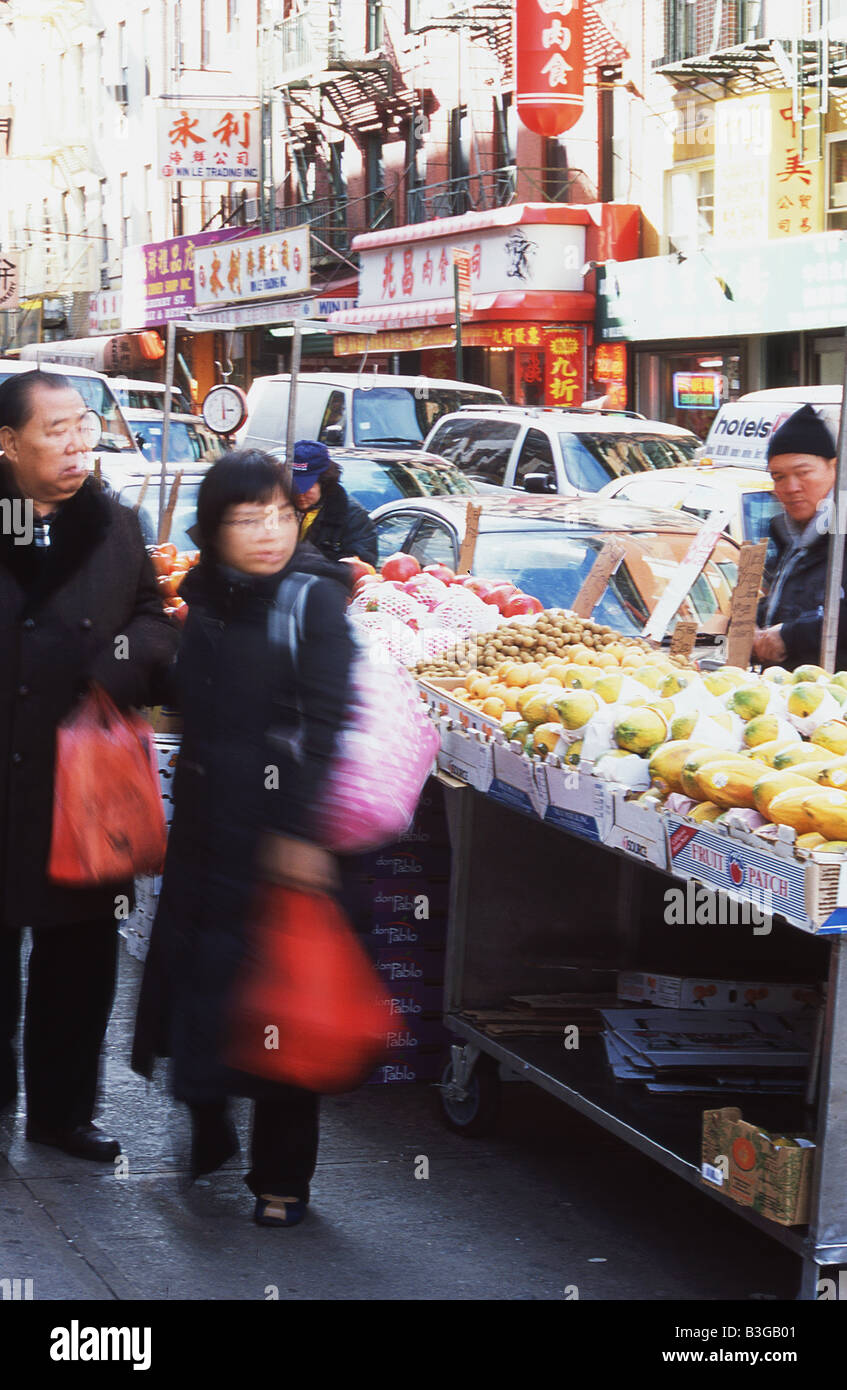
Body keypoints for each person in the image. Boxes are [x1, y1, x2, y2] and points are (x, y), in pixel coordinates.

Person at [131, 449, 354, 1227]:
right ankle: (207, 1122)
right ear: (213, 529)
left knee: (278, 998)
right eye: (246, 518)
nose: (267, 533)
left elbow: (328, 722)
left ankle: (281, 1181)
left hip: (277, 834)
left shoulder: (313, 599)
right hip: (202, 831)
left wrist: (300, 831)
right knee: (199, 986)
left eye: (280, 516)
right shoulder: (205, 600)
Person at [0, 370, 179, 1160]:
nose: (77, 444)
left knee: (79, 955)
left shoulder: (114, 524)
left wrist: (120, 664)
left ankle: (63, 1112)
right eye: (55, 430)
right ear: (7, 444)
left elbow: (150, 615)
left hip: (82, 776)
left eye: (84, 426)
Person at [753, 403, 841, 671]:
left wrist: (788, 637)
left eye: (803, 473)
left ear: (835, 468)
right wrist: (737, 631)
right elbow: (778, 610)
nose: (790, 488)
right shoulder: (792, 537)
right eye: (778, 477)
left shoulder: (841, 536)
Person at [290, 438, 378, 566]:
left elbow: (361, 566)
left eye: (306, 487)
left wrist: (309, 558)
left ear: (324, 483)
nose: (299, 494)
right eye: (294, 486)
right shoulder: (281, 507)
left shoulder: (353, 517)